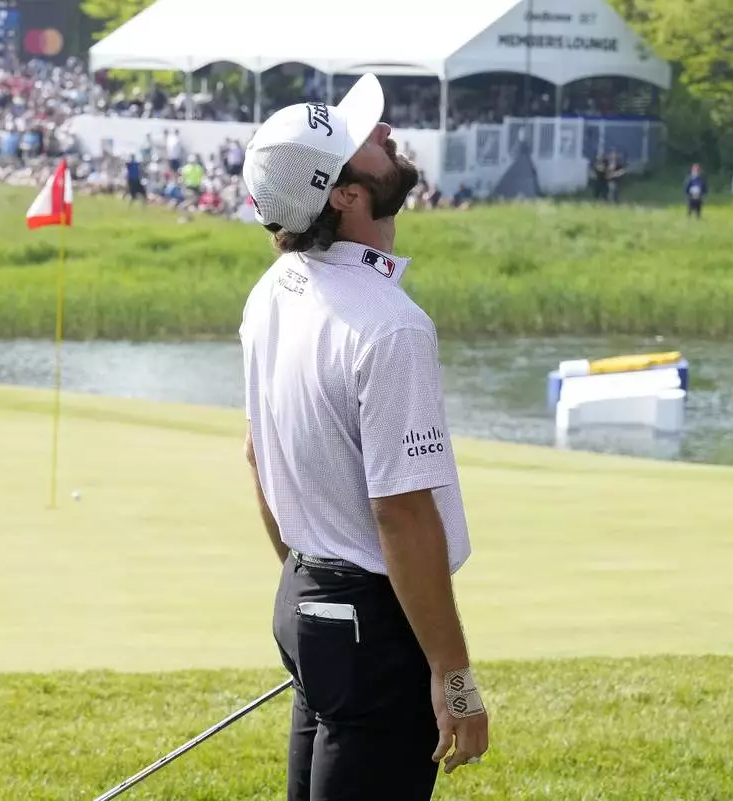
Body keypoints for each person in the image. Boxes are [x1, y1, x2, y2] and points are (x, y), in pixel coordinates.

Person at [238, 74, 489, 800]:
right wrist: (455, 676)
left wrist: (311, 599)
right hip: (373, 627)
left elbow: (256, 455)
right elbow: (402, 512)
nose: (384, 132)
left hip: (307, 599)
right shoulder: (391, 325)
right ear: (346, 194)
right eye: (365, 138)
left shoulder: (275, 288)